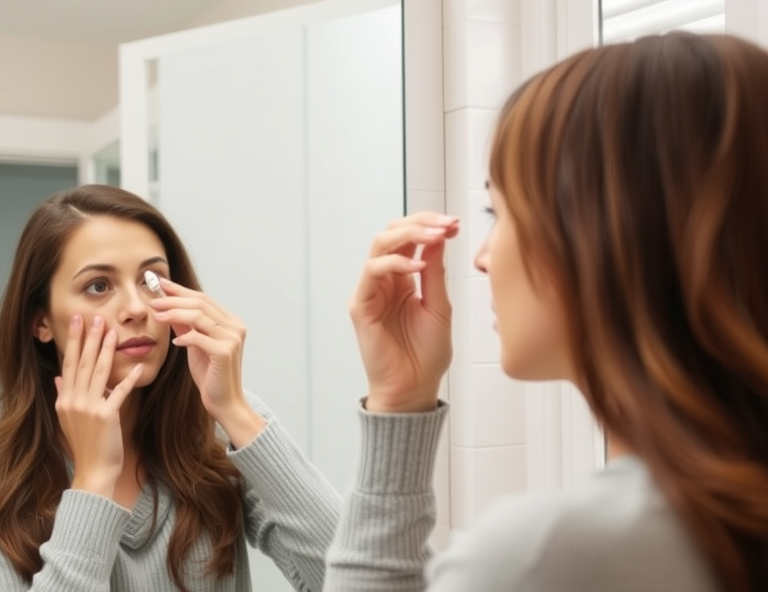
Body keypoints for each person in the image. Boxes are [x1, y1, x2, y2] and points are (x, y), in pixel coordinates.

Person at [324, 32, 768, 592]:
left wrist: (394, 410)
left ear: (604, 237)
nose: (482, 258)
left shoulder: (548, 557)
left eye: (499, 210)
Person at [0, 184, 341, 591]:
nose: (137, 308)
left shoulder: (220, 433)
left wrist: (236, 409)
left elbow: (360, 579)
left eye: (152, 281)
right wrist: (94, 481)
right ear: (40, 321)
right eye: (98, 286)